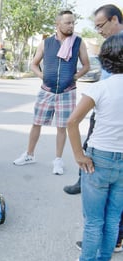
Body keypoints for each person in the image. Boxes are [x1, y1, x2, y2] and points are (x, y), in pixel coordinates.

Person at [57, 33, 123, 261]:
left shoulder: (101, 87)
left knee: (94, 222)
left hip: (99, 159)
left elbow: (72, 122)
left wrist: (78, 155)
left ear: (105, 58)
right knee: (113, 220)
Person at [13, 10, 90, 175]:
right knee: (36, 123)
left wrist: (74, 77)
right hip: (46, 91)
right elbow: (34, 64)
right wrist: (42, 76)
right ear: (58, 24)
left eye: (73, 23)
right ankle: (29, 155)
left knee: (62, 127)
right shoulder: (46, 43)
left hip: (67, 92)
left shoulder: (78, 42)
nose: (71, 26)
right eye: (68, 23)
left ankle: (57, 160)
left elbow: (86, 66)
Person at [63, 4, 123, 193]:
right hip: (102, 101)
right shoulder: (110, 43)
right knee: (91, 141)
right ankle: (85, 179)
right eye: (96, 27)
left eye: (100, 25)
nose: (98, 31)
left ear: (114, 19)